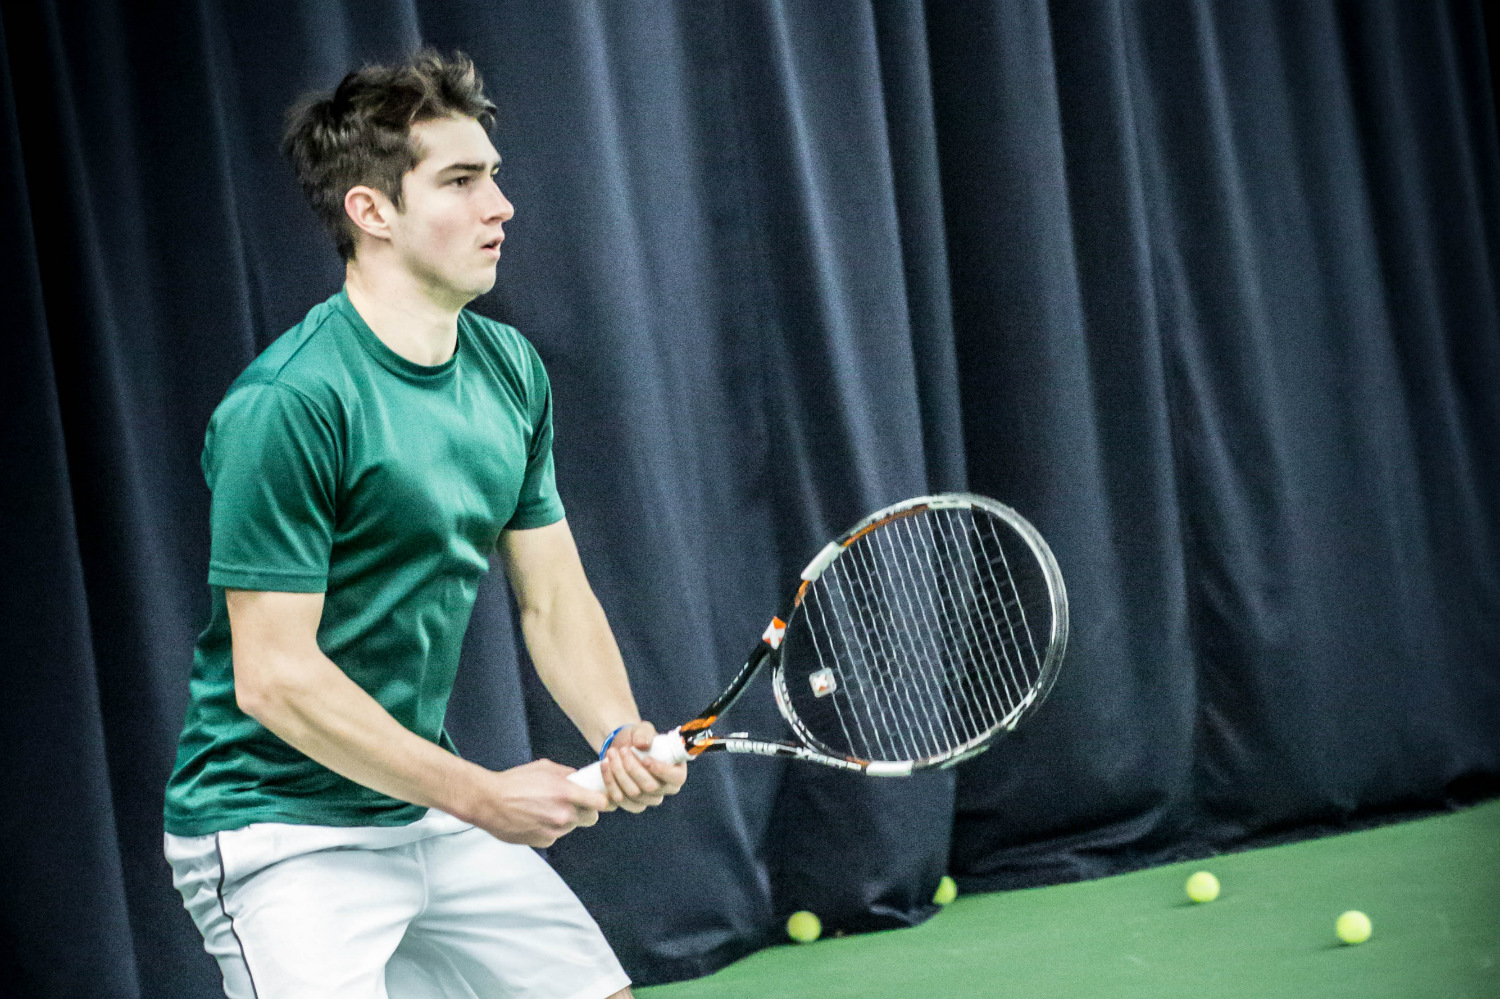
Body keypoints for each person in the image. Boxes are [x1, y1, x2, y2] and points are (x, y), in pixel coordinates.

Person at [162, 50, 683, 999]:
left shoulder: (510, 370)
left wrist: (618, 735)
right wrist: (481, 794)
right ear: (372, 212)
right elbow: (275, 677)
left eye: (494, 174)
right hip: (280, 828)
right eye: (460, 180)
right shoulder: (290, 403)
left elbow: (554, 598)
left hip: (418, 804)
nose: (502, 205)